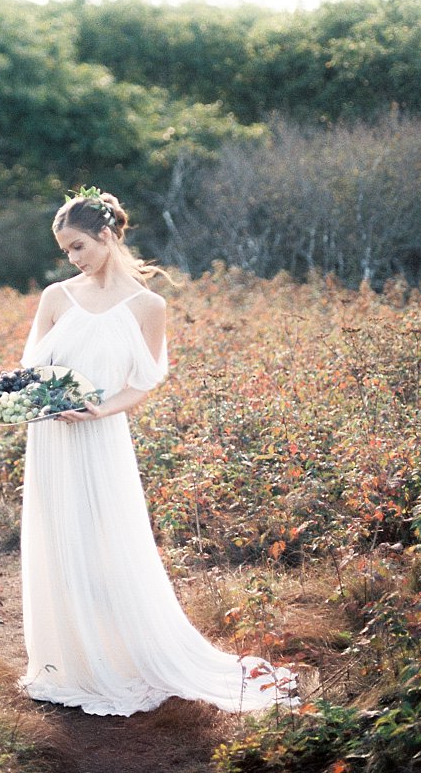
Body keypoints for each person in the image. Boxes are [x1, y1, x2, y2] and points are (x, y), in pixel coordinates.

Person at [18, 186, 297, 717]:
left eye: (78, 246)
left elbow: (143, 384)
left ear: (105, 235)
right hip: (50, 436)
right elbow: (31, 370)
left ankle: (120, 657)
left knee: (105, 544)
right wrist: (24, 401)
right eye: (65, 252)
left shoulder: (149, 306)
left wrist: (99, 409)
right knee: (58, 541)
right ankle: (68, 661)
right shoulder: (56, 297)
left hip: (99, 437)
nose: (72, 259)